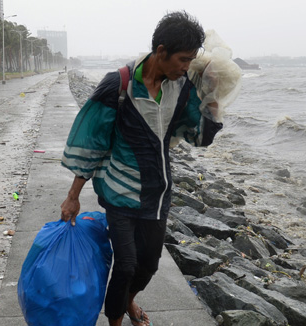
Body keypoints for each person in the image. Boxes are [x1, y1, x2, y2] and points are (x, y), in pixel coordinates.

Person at [60, 11, 223, 326]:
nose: (187, 67)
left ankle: (130, 299)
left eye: (191, 60)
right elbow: (93, 143)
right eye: (183, 59)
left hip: (158, 195)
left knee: (148, 266)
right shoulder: (118, 85)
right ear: (161, 52)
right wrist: (73, 196)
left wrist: (213, 96)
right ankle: (116, 320)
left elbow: (200, 137)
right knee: (126, 265)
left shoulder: (182, 88)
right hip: (120, 194)